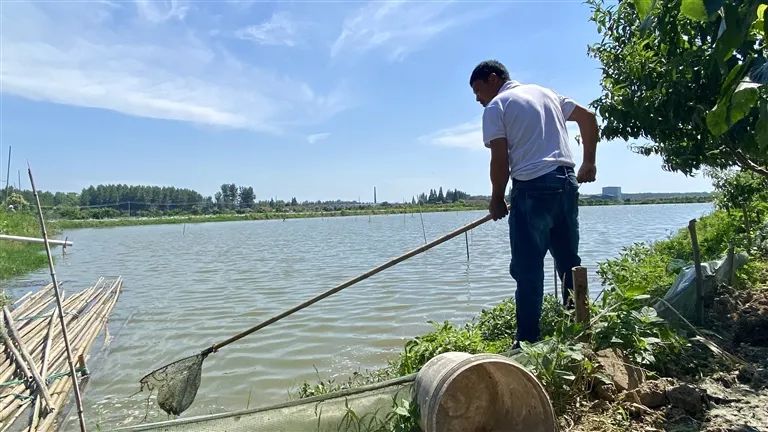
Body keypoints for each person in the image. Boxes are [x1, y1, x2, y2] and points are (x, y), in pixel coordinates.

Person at [469, 59, 599, 344]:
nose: (478, 99)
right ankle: (578, 330)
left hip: (532, 190)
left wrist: (496, 199)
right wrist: (588, 162)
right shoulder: (548, 94)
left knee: (527, 269)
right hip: (566, 183)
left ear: (493, 79)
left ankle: (527, 341)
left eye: (478, 90)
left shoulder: (497, 105)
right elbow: (588, 117)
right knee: (569, 263)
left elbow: (500, 159)